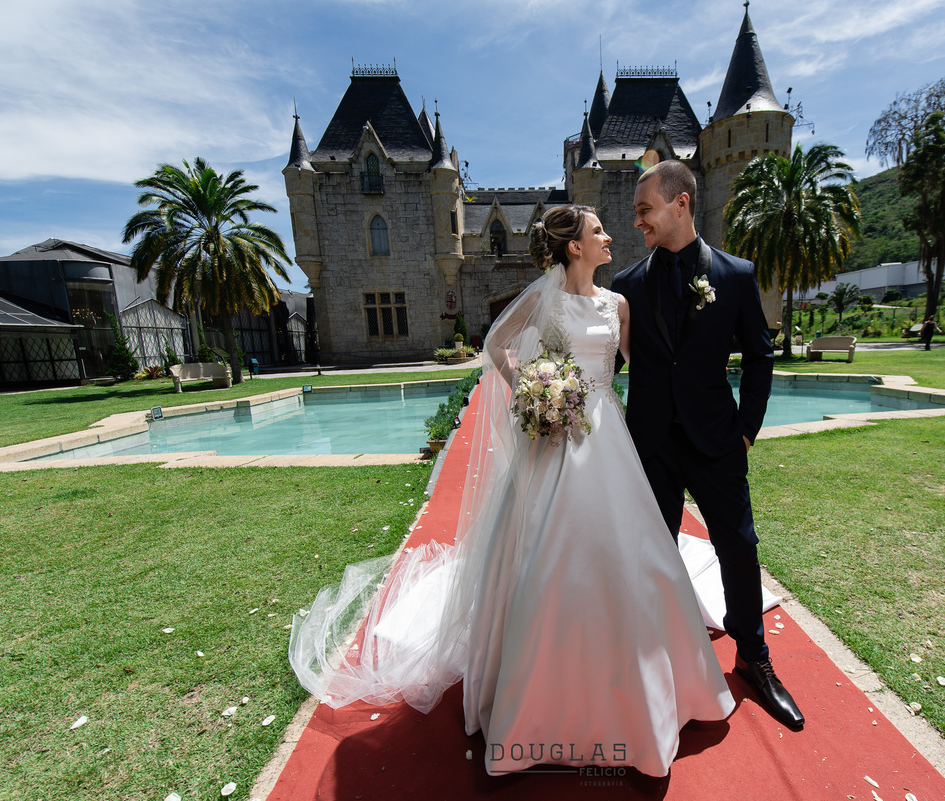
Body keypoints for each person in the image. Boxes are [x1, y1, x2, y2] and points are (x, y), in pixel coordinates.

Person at [290, 204, 735, 778]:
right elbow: (497, 345)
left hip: (609, 441)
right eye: (597, 231)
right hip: (556, 439)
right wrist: (536, 392)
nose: (608, 238)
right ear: (574, 247)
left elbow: (634, 364)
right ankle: (536, 709)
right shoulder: (545, 298)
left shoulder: (617, 303)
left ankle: (645, 698)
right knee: (545, 562)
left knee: (631, 556)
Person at [610, 160, 805, 730]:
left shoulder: (737, 276)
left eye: (645, 209)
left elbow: (761, 353)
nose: (638, 221)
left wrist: (748, 427)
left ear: (681, 204)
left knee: (739, 547)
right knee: (651, 555)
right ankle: (648, 664)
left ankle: (755, 658)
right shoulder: (624, 287)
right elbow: (612, 364)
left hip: (718, 440)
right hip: (650, 446)